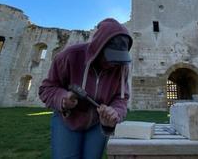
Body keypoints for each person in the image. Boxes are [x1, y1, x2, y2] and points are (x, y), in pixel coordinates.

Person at [38, 18, 132, 159]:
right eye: (110, 57)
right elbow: (46, 89)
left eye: (118, 58)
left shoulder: (121, 66)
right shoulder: (70, 56)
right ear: (98, 47)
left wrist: (115, 113)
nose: (113, 64)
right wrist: (62, 99)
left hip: (97, 123)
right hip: (67, 120)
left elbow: (121, 97)